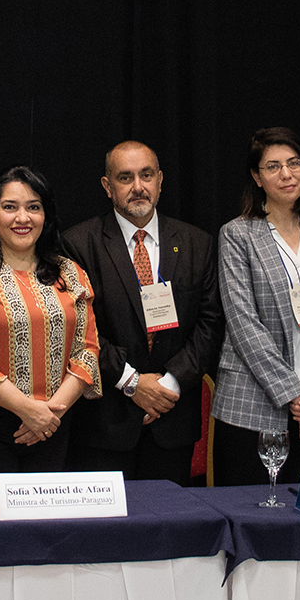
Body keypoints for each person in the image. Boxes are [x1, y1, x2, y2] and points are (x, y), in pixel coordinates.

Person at [61, 141, 224, 486]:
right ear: (107, 187)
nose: (138, 187)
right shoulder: (77, 243)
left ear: (160, 180)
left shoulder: (197, 243)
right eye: (125, 177)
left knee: (169, 531)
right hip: (105, 424)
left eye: (146, 175)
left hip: (172, 417)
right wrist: (133, 383)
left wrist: (168, 383)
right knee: (106, 538)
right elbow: (78, 330)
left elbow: (210, 323)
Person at [0, 165, 101, 484]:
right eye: (10, 207)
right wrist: (29, 410)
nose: (22, 218)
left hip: (53, 426)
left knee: (42, 532)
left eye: (33, 207)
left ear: (46, 216)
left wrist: (51, 413)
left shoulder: (71, 273)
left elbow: (88, 352)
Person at [210, 127, 300, 486]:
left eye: (294, 163)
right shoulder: (237, 234)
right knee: (254, 521)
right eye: (273, 167)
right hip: (253, 409)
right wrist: (294, 395)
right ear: (257, 177)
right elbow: (243, 325)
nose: (287, 174)